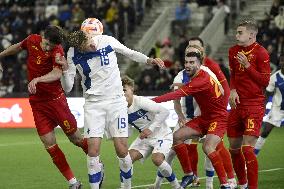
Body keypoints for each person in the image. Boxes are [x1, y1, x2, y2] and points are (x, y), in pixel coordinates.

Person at [58, 18, 165, 189]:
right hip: (93, 104)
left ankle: (127, 186)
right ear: (81, 36)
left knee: (122, 150)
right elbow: (68, 87)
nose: (92, 42)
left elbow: (129, 52)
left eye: (93, 37)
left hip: (116, 101)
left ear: (98, 34)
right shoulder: (72, 53)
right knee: (92, 151)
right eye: (87, 37)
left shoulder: (107, 41)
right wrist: (64, 70)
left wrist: (149, 60)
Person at [0, 25, 88, 189]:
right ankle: (73, 182)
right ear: (42, 36)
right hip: (37, 103)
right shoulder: (32, 40)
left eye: (51, 46)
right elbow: (18, 47)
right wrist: (1, 55)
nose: (48, 48)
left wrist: (38, 79)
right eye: (47, 44)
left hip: (56, 100)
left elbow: (56, 73)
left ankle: (96, 163)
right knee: (49, 144)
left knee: (76, 139)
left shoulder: (58, 50)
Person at [153, 50, 232, 189]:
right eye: (186, 62)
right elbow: (202, 87)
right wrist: (181, 86)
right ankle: (189, 174)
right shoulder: (200, 76)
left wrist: (150, 101)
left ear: (199, 64)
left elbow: (175, 95)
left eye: (192, 62)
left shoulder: (200, 79)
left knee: (207, 147)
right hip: (203, 118)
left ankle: (225, 183)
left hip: (218, 119)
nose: (188, 65)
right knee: (177, 136)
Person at [228, 20, 271, 189]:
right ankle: (242, 184)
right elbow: (233, 74)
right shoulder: (233, 51)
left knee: (247, 150)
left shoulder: (261, 53)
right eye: (237, 32)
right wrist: (232, 90)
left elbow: (265, 81)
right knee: (234, 150)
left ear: (251, 35)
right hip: (237, 105)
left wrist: (247, 65)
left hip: (254, 105)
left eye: (240, 32)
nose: (236, 35)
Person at [122, 75, 180, 189]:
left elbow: (164, 112)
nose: (122, 93)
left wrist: (150, 129)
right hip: (145, 139)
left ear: (132, 89)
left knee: (157, 159)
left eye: (124, 90)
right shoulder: (121, 108)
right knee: (126, 160)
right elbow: (127, 130)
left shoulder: (141, 101)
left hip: (162, 134)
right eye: (119, 91)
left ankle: (177, 186)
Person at [254, 59, 284, 155]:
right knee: (265, 132)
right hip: (277, 109)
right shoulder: (275, 77)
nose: (283, 63)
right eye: (282, 60)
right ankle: (252, 158)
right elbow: (267, 94)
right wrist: (262, 108)